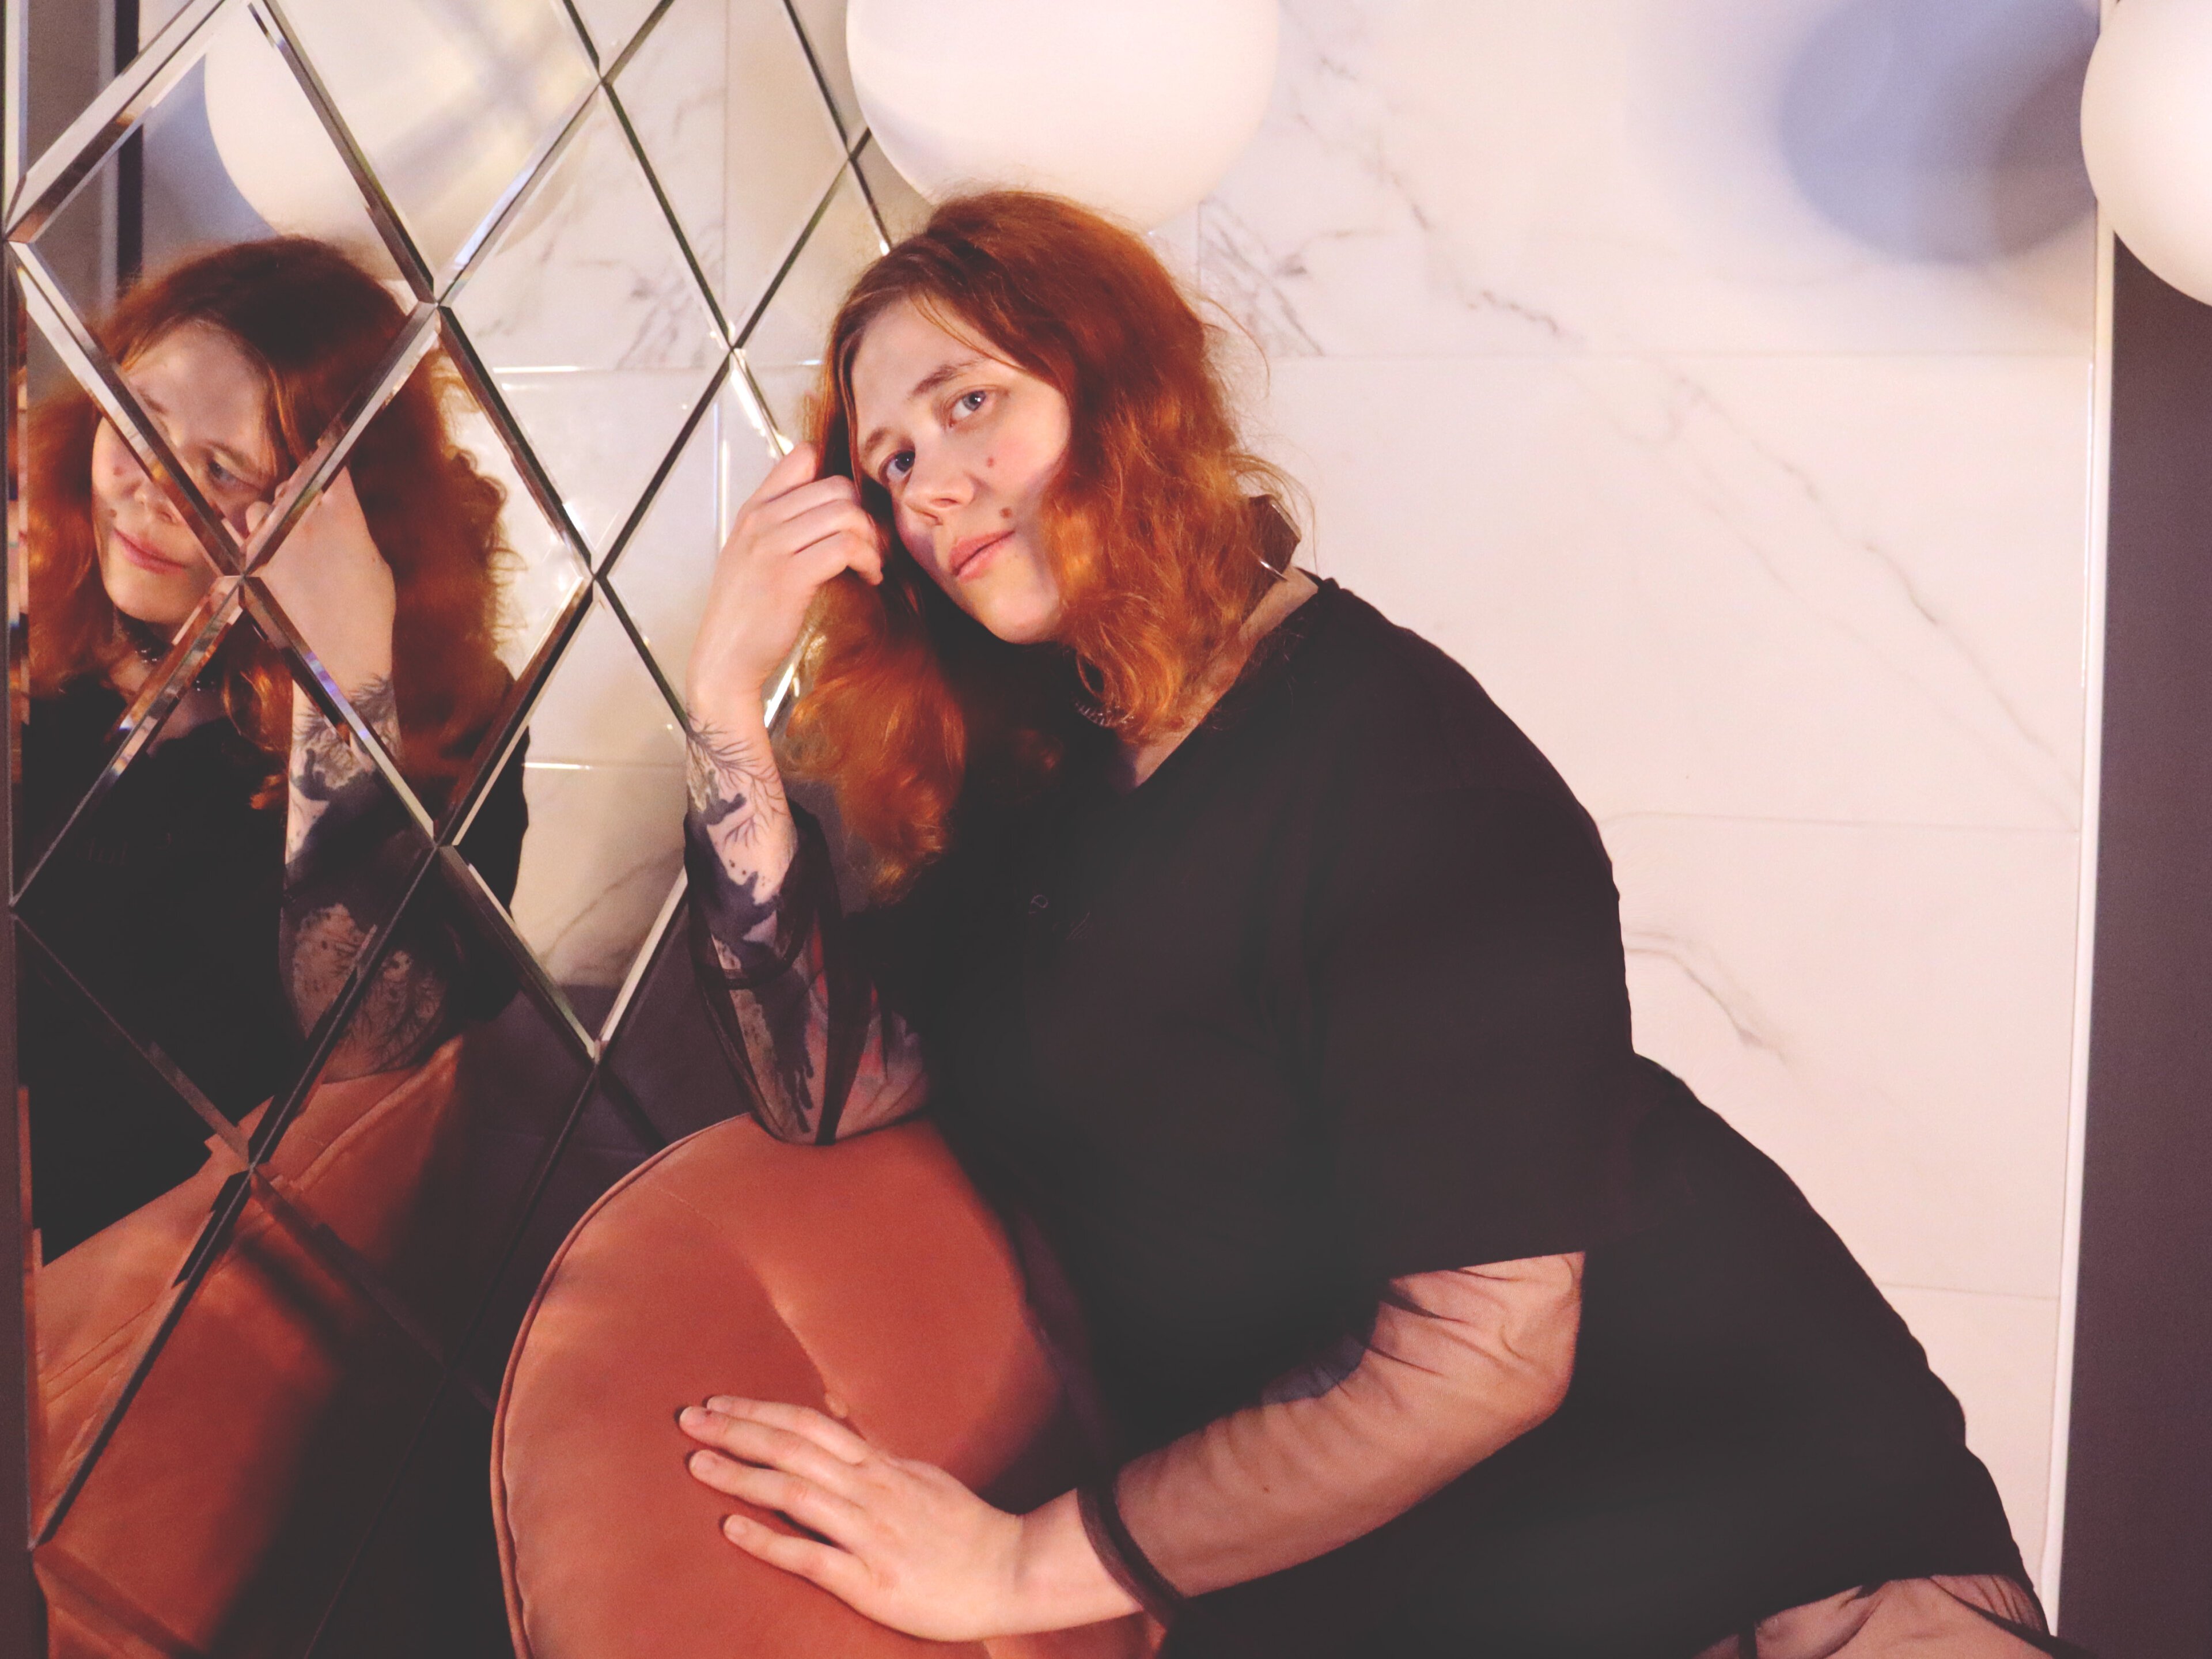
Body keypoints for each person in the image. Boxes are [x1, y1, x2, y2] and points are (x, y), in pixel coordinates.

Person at [670, 193, 2074, 1658]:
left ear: (1122, 384)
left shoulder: (1414, 763)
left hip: (1751, 1516)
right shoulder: (1054, 768)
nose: (936, 489)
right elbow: (828, 1083)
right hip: (1400, 1559)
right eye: (892, 461)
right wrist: (725, 705)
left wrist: (1021, 1568)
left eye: (971, 404)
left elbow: (1485, 1355)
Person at [18, 237, 528, 1259]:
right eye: (140, 424)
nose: (151, 492)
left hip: (180, 1278)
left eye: (222, 469)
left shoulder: (454, 716)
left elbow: (372, 1055)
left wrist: (344, 672)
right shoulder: (44, 626)